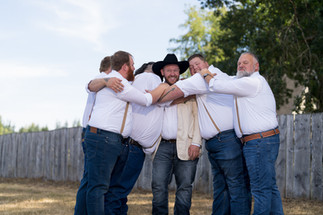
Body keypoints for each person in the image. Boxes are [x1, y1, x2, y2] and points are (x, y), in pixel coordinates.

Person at [74, 51, 167, 215]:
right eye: (132, 65)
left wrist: (104, 81)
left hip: (104, 138)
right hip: (104, 138)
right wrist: (163, 86)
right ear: (125, 67)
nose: (134, 68)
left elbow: (89, 86)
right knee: (99, 187)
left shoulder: (111, 81)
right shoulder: (119, 83)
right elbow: (146, 101)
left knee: (92, 183)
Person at [158, 54, 251, 215]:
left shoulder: (206, 77)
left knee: (236, 187)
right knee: (221, 188)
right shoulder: (206, 80)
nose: (195, 68)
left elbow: (175, 92)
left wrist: (153, 98)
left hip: (226, 140)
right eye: (191, 67)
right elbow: (182, 97)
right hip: (216, 143)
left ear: (206, 64)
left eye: (197, 64)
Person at [199, 52, 284, 215]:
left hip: (259, 142)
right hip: (262, 140)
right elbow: (227, 80)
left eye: (245, 62)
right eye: (239, 63)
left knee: (260, 190)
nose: (241, 65)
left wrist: (205, 73)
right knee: (269, 188)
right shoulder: (244, 81)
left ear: (256, 66)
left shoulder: (253, 82)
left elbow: (218, 85)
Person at [103, 62, 165, 214]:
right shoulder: (150, 77)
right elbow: (163, 98)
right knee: (118, 192)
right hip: (132, 147)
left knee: (119, 192)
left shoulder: (135, 80)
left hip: (130, 146)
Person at [151, 54, 202, 215]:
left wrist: (196, 143)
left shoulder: (188, 89)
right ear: (162, 72)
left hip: (186, 145)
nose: (172, 73)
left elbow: (198, 117)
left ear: (179, 71)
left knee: (185, 187)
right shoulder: (157, 92)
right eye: (169, 70)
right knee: (158, 186)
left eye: (175, 70)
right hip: (162, 146)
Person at [74, 56, 124, 215]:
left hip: (88, 133)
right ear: (110, 68)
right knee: (94, 183)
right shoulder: (102, 79)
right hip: (95, 134)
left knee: (89, 179)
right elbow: (89, 86)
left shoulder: (103, 80)